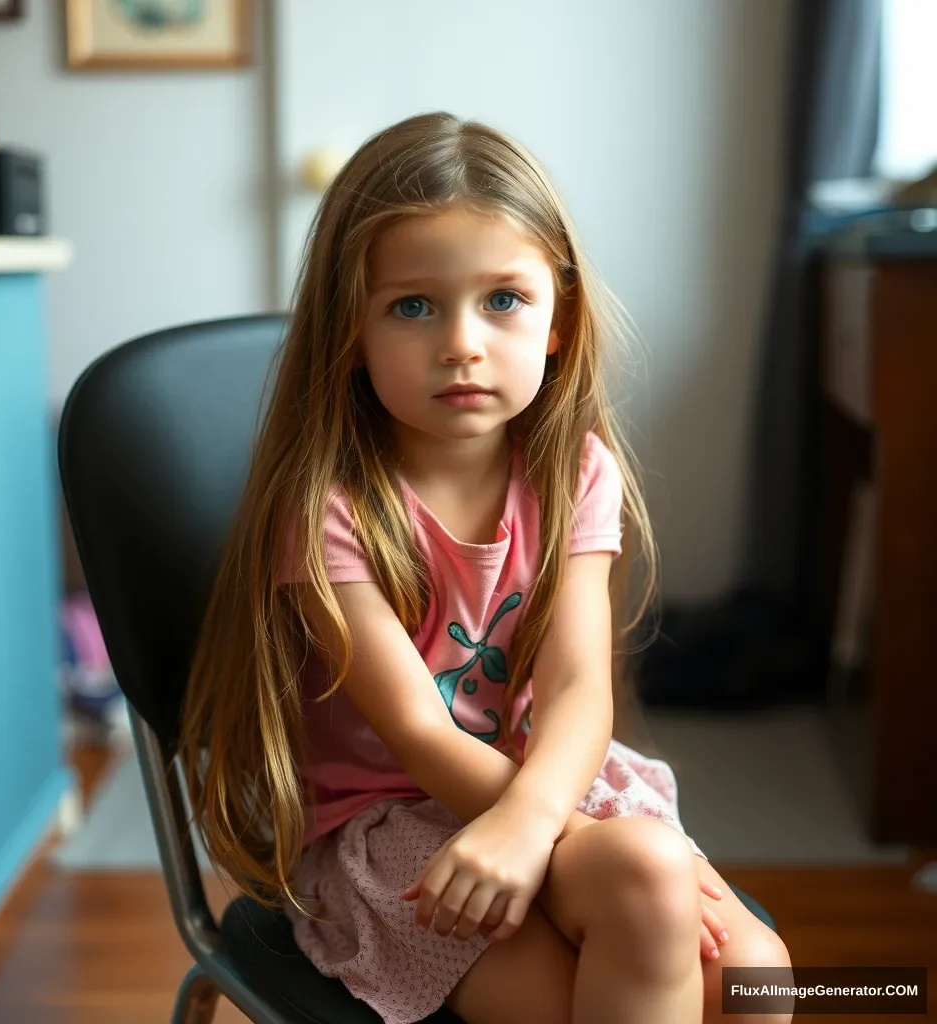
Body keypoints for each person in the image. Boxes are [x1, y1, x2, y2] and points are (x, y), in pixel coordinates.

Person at [178, 111, 792, 1024]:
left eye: (502, 299)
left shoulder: (573, 467)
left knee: (758, 981)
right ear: (351, 330)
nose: (461, 342)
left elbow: (582, 684)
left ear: (558, 320)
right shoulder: (326, 510)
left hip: (544, 779)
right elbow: (421, 734)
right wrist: (536, 827)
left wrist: (539, 819)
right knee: (602, 961)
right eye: (413, 306)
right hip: (397, 830)